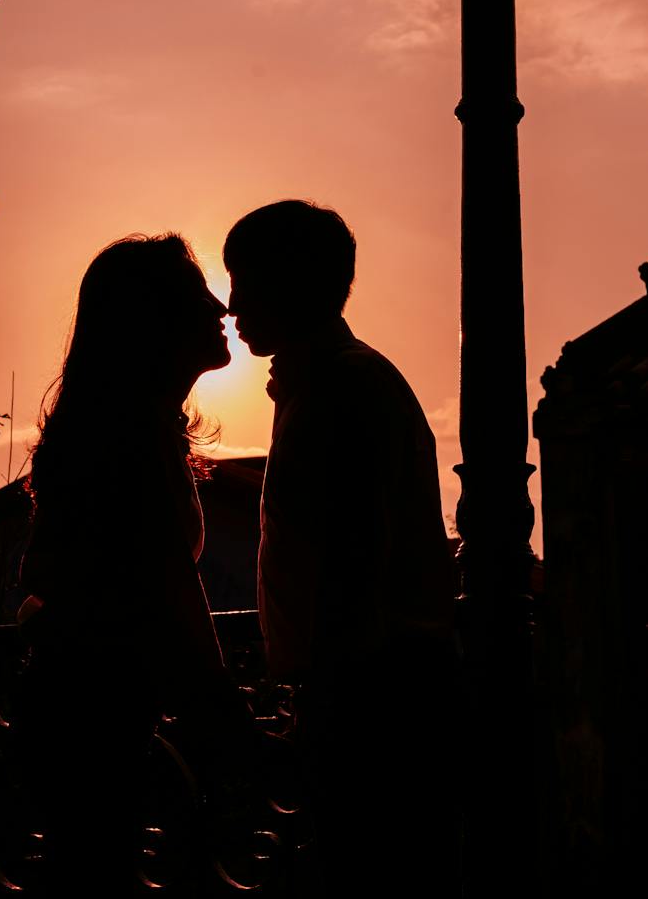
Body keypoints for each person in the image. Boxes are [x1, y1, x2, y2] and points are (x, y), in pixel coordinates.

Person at [223, 199, 457, 894]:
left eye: (246, 280)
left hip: (375, 698)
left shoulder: (340, 388)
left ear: (296, 282)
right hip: (375, 688)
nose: (233, 303)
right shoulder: (332, 381)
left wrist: (322, 702)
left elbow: (350, 562)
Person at [15, 233, 256, 896]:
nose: (220, 306)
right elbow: (169, 587)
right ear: (154, 320)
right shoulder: (130, 444)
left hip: (87, 706)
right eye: (197, 292)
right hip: (94, 714)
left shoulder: (128, 435)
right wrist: (223, 710)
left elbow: (44, 579)